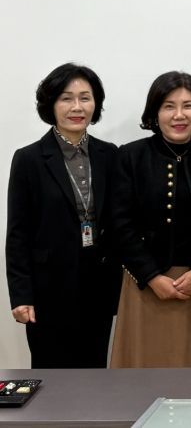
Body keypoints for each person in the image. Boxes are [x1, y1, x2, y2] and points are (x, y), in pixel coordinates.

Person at [5, 63, 121, 368]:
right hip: (48, 290)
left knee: (96, 372)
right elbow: (18, 233)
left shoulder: (110, 154)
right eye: (66, 98)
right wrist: (21, 295)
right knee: (52, 376)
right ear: (51, 104)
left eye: (85, 98)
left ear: (96, 104)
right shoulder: (29, 159)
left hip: (98, 287)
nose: (77, 107)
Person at [110, 71, 191, 367]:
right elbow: (120, 224)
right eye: (168, 106)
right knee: (141, 373)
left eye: (188, 105)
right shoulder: (131, 156)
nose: (179, 115)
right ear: (155, 112)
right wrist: (151, 276)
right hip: (144, 284)